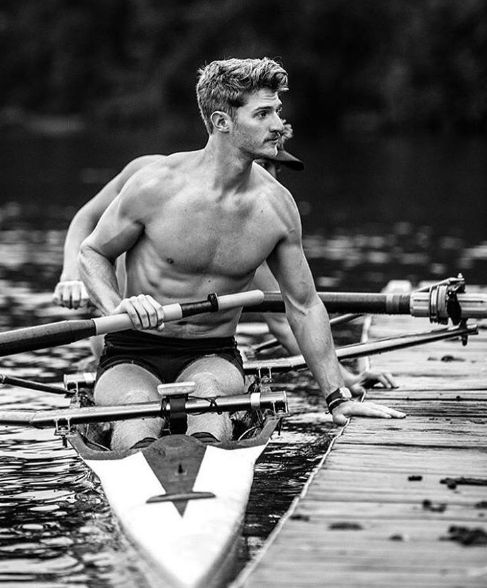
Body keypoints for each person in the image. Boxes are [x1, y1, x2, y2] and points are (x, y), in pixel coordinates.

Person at [76, 57, 404, 451]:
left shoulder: (277, 207)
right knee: (136, 412)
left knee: (210, 399)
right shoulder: (155, 185)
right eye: (263, 114)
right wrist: (115, 306)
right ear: (221, 122)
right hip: (131, 352)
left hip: (212, 353)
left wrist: (337, 395)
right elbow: (93, 251)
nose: (278, 126)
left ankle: (204, 463)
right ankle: (142, 461)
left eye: (277, 112)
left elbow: (303, 305)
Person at [53, 129, 395, 395]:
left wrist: (343, 380)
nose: (269, 179)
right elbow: (87, 224)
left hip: (199, 349)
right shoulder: (150, 173)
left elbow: (290, 318)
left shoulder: (261, 220)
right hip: (125, 334)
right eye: (264, 166)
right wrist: (71, 276)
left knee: (213, 376)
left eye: (276, 170)